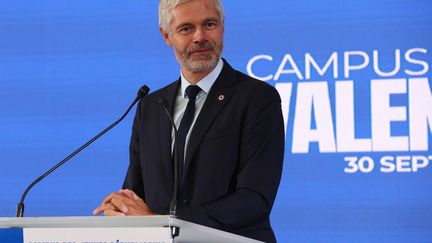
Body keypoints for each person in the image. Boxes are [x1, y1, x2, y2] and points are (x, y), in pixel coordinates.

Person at [93, 0, 285, 242]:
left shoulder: (257, 98)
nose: (200, 37)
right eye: (186, 28)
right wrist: (121, 207)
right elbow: (135, 193)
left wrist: (161, 221)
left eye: (209, 24)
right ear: (166, 35)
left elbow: (254, 199)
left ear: (222, 27)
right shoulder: (150, 106)